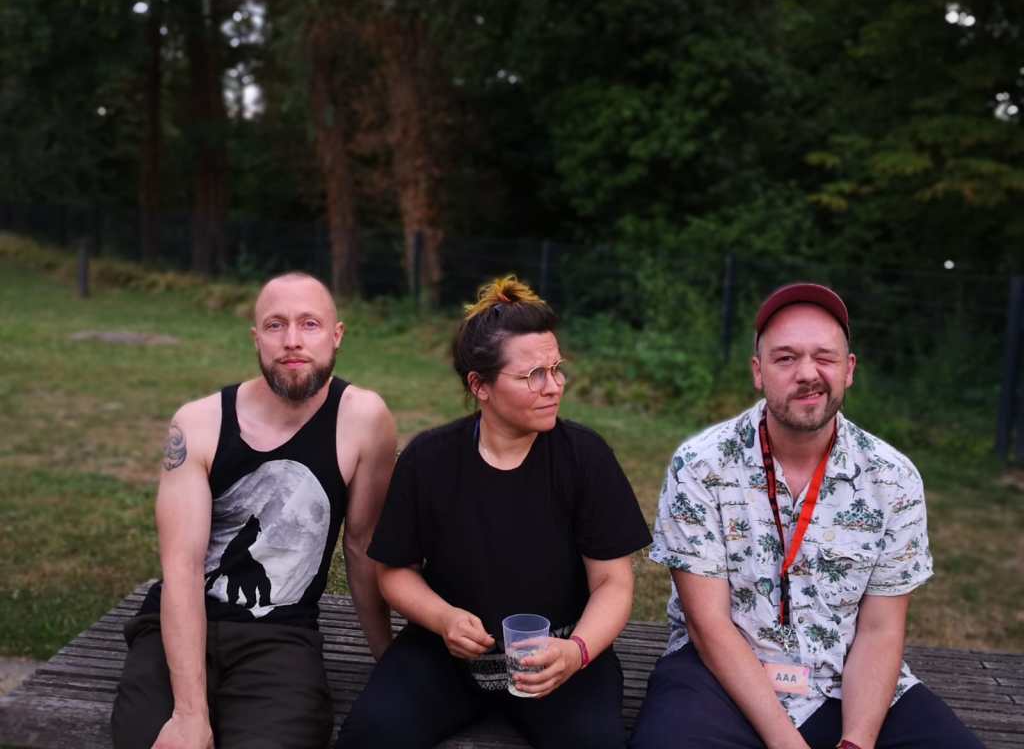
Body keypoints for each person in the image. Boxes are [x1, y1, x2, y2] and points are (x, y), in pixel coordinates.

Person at [630, 282, 984, 749]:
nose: (808, 373)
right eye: (785, 358)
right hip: (721, 676)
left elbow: (880, 629)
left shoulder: (893, 478)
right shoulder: (701, 465)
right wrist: (785, 741)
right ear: (758, 372)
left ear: (849, 370)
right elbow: (707, 625)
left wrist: (856, 742)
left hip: (846, 677)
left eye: (825, 357)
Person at [337, 276, 652, 749]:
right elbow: (394, 572)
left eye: (557, 368)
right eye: (533, 375)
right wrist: (443, 619)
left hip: (559, 657)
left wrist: (578, 651)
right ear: (479, 386)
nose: (554, 387)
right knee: (369, 735)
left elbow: (613, 583)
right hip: (447, 656)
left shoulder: (584, 457)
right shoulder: (430, 459)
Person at [111, 271, 397, 749]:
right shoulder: (199, 423)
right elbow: (181, 568)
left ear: (336, 335)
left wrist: (389, 658)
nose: (291, 341)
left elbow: (362, 544)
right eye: (275, 325)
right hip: (179, 626)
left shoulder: (364, 420)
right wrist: (189, 713)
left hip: (281, 637)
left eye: (309, 324)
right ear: (256, 338)